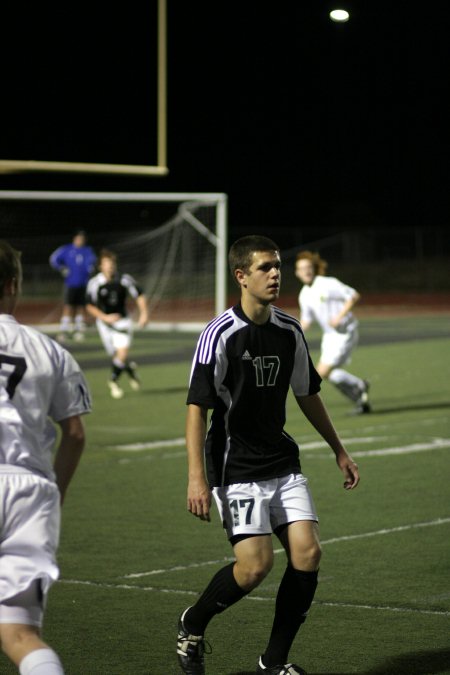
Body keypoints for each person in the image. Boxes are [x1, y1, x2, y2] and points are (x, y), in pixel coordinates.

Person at [178, 235, 360, 675]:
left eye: (277, 266)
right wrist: (196, 478)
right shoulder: (219, 334)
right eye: (265, 268)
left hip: (280, 460)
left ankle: (273, 661)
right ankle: (193, 623)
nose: (276, 274)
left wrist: (339, 449)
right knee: (254, 567)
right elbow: (196, 409)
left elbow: (308, 394)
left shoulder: (289, 330)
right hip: (234, 466)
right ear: (241, 276)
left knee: (308, 554)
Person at [0, 240, 91, 675]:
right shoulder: (49, 349)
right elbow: (74, 433)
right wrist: (56, 492)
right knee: (21, 635)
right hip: (31, 491)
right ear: (13, 285)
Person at [294, 250, 371, 415]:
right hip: (329, 336)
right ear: (297, 273)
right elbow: (306, 321)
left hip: (344, 333)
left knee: (321, 373)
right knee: (328, 374)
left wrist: (339, 316)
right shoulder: (304, 295)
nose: (306, 271)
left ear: (313, 268)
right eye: (302, 268)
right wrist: (291, 333)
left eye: (308, 267)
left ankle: (358, 388)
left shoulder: (327, 283)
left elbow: (354, 295)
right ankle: (359, 391)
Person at [86, 249, 149, 399]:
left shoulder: (124, 279)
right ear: (101, 266)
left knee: (122, 354)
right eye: (106, 264)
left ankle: (113, 381)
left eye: (112, 263)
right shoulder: (95, 283)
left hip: (123, 322)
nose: (110, 267)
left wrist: (144, 314)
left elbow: (139, 295)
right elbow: (89, 305)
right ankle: (130, 370)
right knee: (117, 357)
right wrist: (105, 317)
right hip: (104, 324)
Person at [49, 230, 97, 343]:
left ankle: (78, 331)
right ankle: (64, 331)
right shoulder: (66, 249)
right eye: (79, 238)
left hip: (84, 284)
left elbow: (93, 261)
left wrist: (92, 267)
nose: (81, 240)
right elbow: (53, 259)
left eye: (83, 239)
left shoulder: (88, 250)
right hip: (70, 283)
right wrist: (61, 268)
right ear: (74, 239)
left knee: (81, 307)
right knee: (68, 307)